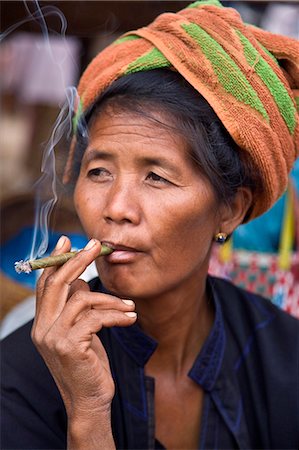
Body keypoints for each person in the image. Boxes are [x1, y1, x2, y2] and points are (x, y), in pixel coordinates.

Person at [1, 1, 299, 449]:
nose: (116, 208)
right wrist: (89, 413)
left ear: (231, 210)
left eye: (157, 177)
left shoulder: (284, 358)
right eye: (99, 172)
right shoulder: (21, 378)